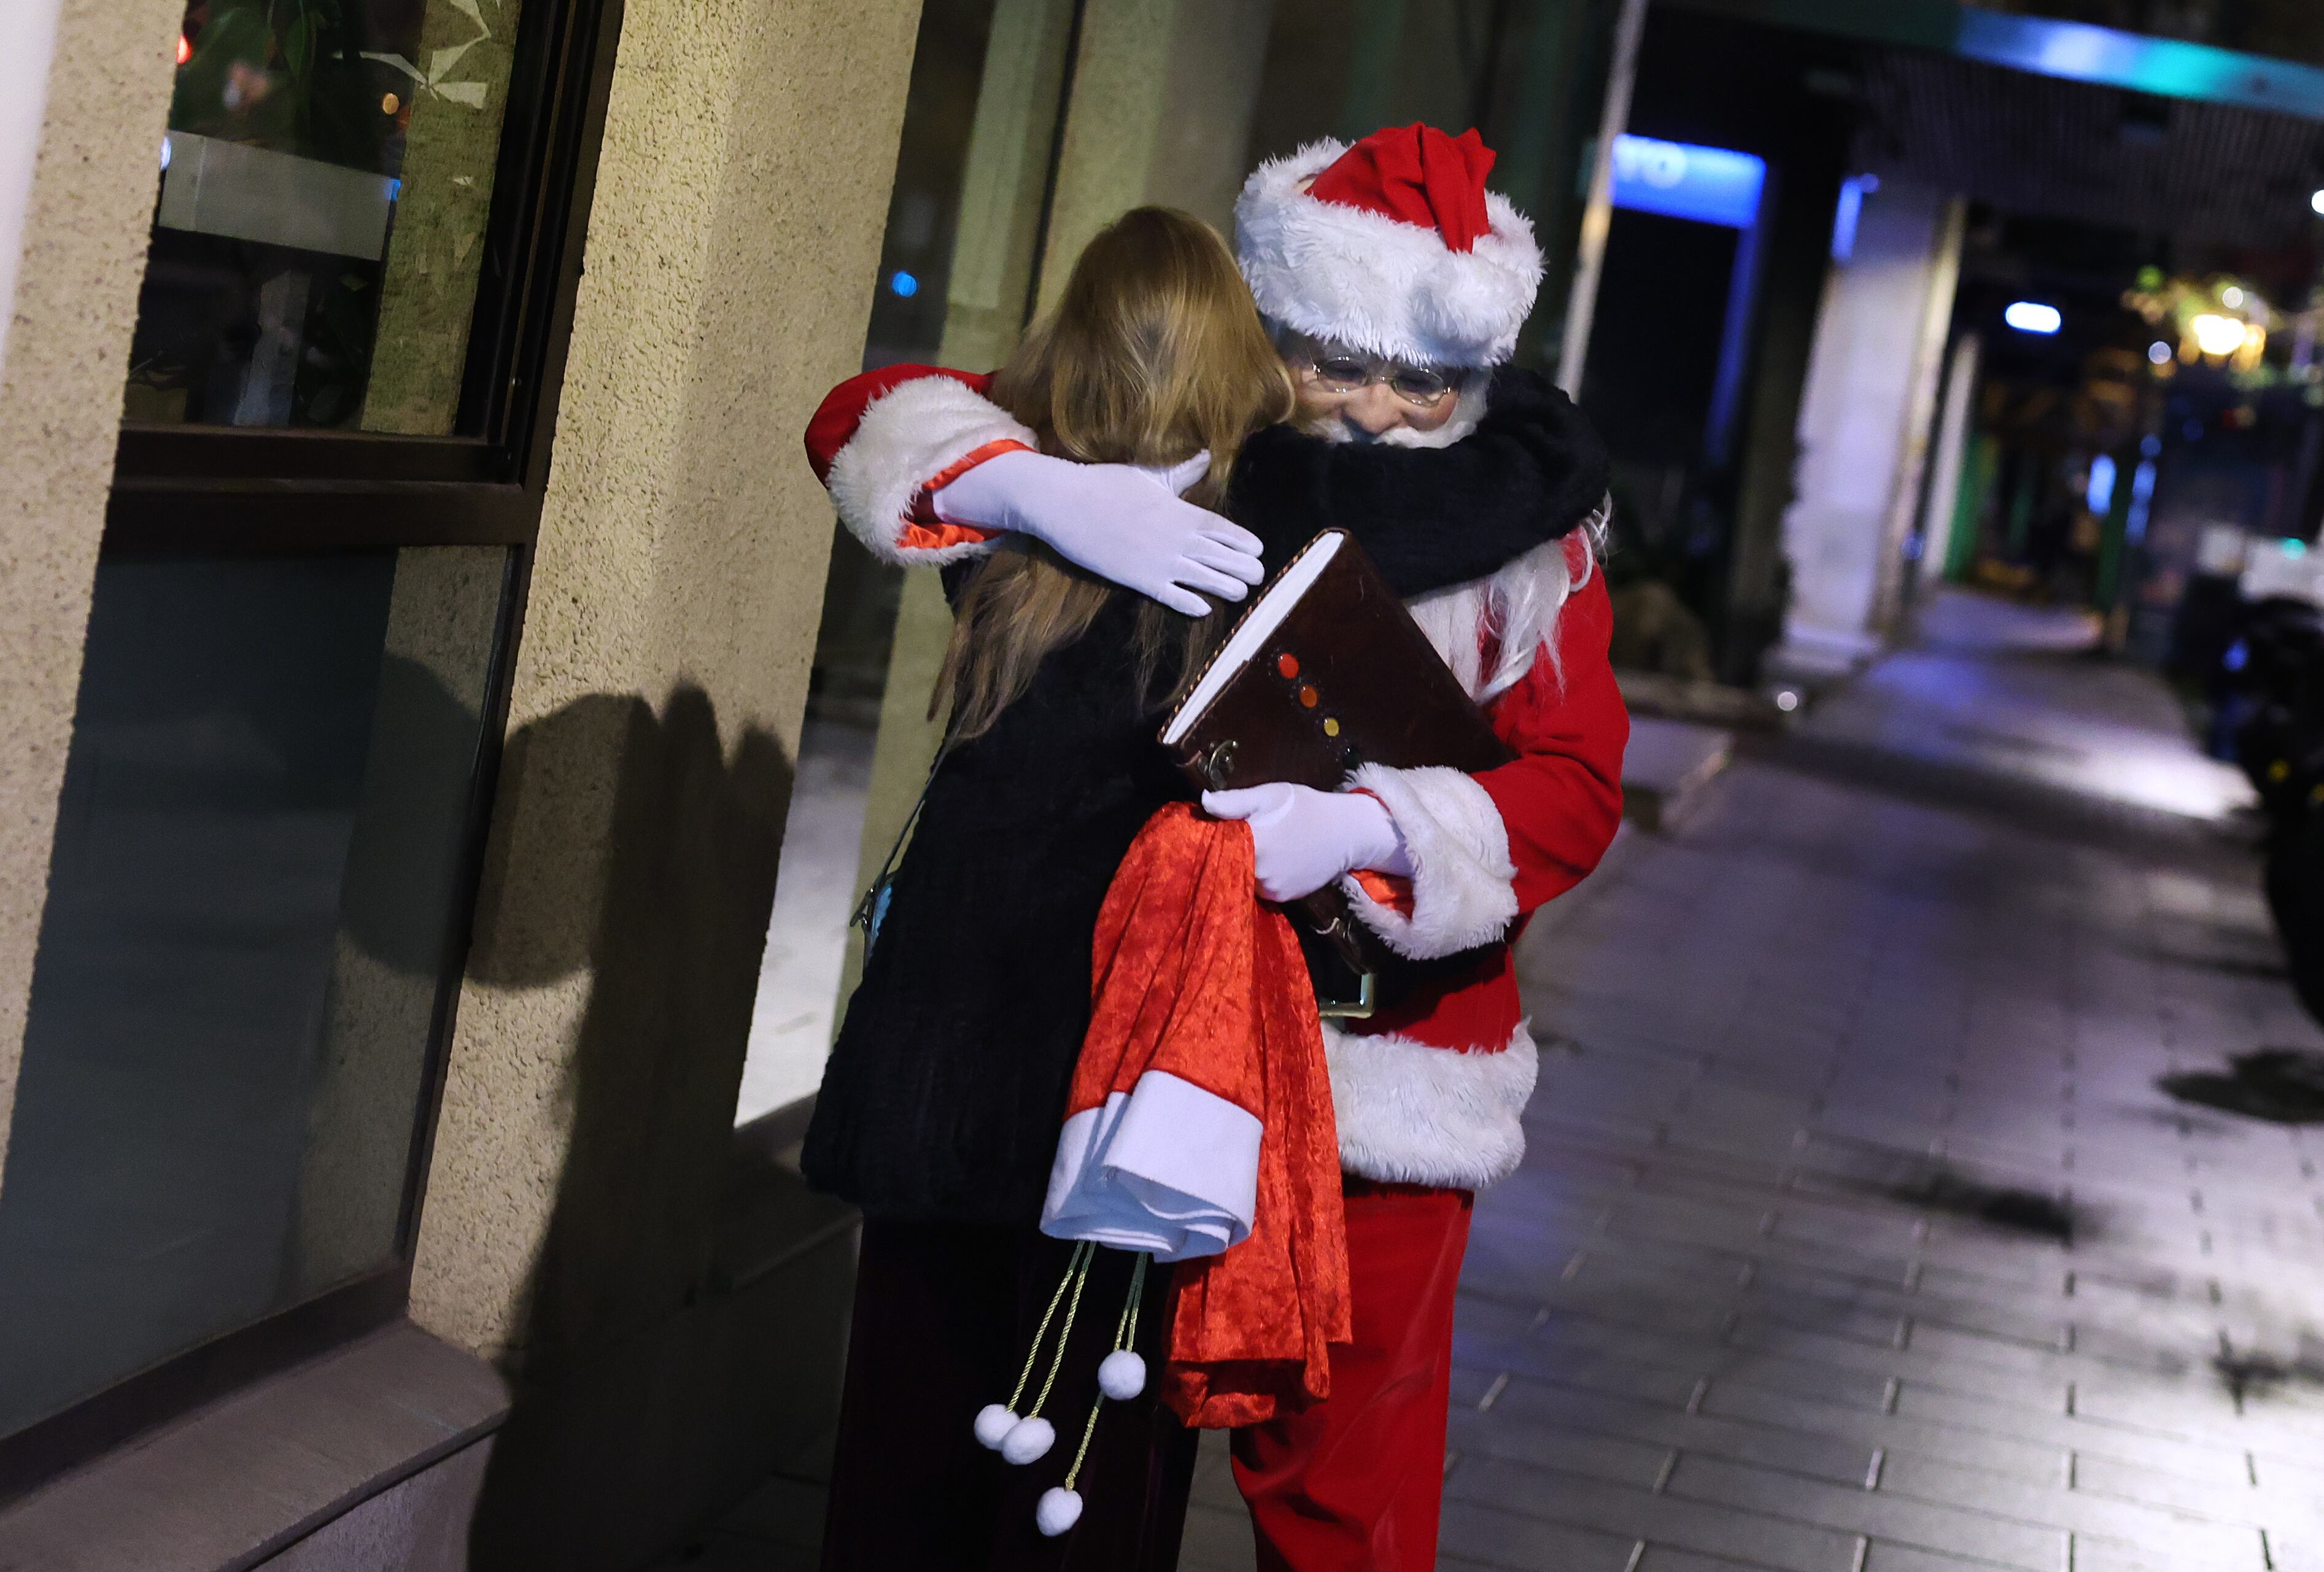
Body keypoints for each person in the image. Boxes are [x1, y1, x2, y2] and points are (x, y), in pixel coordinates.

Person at [804, 126, 1628, 1571]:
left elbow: (1577, 788)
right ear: (1269, 326)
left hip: (1382, 1064)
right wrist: (1023, 484)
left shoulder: (1525, 536)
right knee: (1078, 1427)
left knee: (1344, 1487)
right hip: (1155, 1034)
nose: (1379, 412)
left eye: (1424, 379)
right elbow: (873, 411)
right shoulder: (1194, 447)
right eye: (1338, 364)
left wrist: (1374, 830)